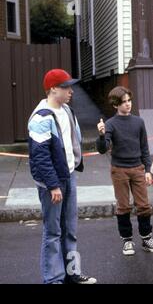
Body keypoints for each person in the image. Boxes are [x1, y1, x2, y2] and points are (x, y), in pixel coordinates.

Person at [28, 69, 97, 284]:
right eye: (66, 87)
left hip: (68, 177)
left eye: (71, 86)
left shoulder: (67, 110)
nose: (71, 91)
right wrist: (53, 185)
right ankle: (53, 279)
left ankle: (72, 274)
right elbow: (40, 156)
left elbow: (71, 142)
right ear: (52, 89)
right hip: (52, 184)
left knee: (70, 231)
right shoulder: (41, 117)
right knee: (53, 233)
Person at [96, 86, 153, 256]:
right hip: (119, 170)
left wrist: (148, 170)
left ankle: (147, 239)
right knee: (123, 206)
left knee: (143, 205)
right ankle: (127, 241)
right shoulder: (110, 124)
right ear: (115, 105)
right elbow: (103, 149)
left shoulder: (138, 122)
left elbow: (144, 148)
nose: (127, 104)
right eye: (123, 102)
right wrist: (102, 135)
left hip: (138, 168)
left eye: (129, 101)